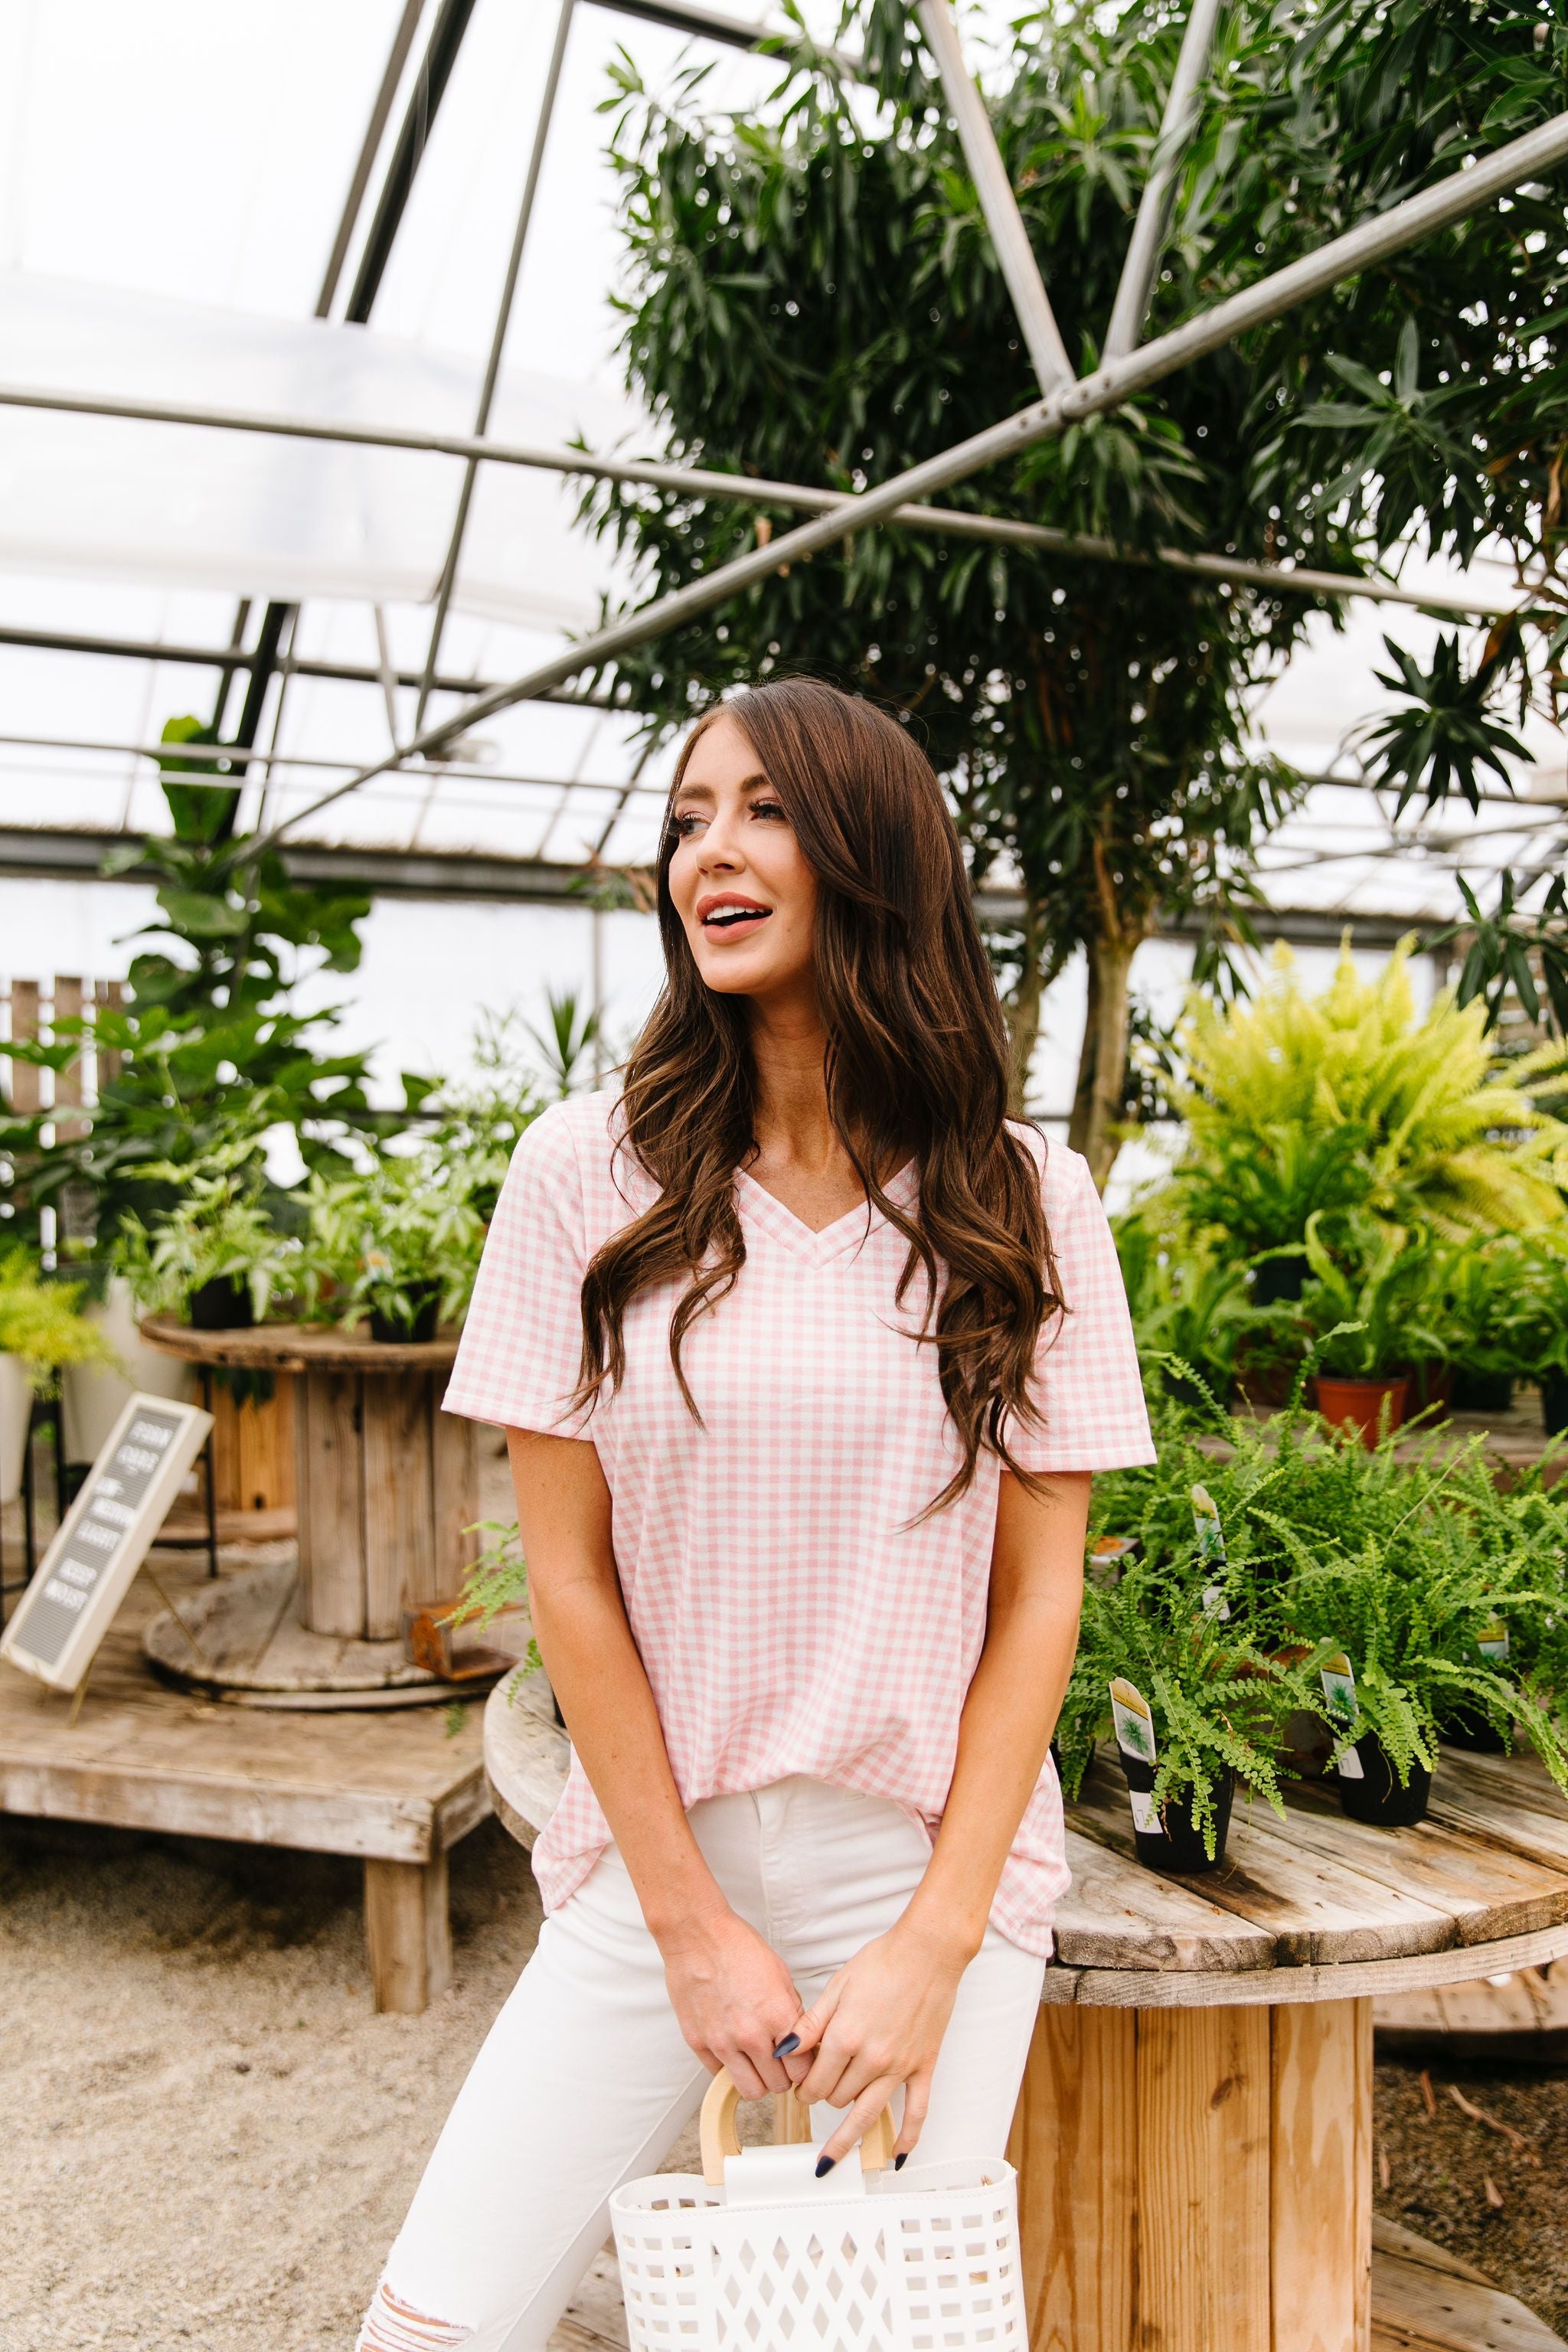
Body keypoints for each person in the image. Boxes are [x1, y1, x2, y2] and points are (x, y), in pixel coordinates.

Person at [357, 677, 1154, 2352]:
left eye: (760, 810)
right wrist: (688, 1926)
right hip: (661, 1868)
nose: (706, 852)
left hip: (925, 1879)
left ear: (873, 854)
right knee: (436, 2323)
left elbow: (1038, 1601)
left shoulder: (1027, 1199)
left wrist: (936, 1942)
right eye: (684, 820)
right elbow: (567, 1584)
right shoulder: (585, 1173)